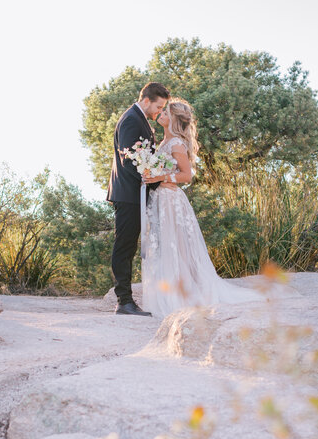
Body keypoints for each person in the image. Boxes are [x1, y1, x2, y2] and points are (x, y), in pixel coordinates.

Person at [142, 98, 269, 318]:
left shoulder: (177, 144)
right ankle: (169, 288)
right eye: (161, 111)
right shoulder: (163, 143)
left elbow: (186, 175)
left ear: (173, 119)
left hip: (172, 201)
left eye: (166, 112)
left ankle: (182, 291)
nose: (161, 113)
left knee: (176, 245)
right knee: (164, 244)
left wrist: (161, 176)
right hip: (160, 200)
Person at [106, 82, 171, 316]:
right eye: (158, 106)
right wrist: (153, 178)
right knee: (124, 246)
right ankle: (123, 301)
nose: (159, 112)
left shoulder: (139, 118)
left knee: (130, 245)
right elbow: (129, 158)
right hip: (128, 194)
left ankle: (126, 300)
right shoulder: (132, 119)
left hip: (136, 193)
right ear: (146, 101)